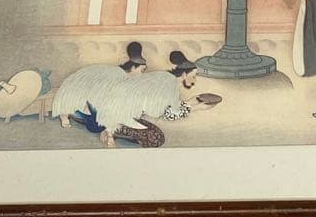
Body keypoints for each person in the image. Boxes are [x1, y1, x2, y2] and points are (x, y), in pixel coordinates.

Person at [52, 49, 212, 147]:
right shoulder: (167, 83)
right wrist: (196, 107)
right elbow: (168, 113)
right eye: (193, 76)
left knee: (150, 132)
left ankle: (108, 131)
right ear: (184, 74)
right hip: (108, 115)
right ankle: (108, 132)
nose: (194, 80)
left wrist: (191, 102)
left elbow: (164, 107)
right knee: (156, 138)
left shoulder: (160, 77)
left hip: (114, 111)